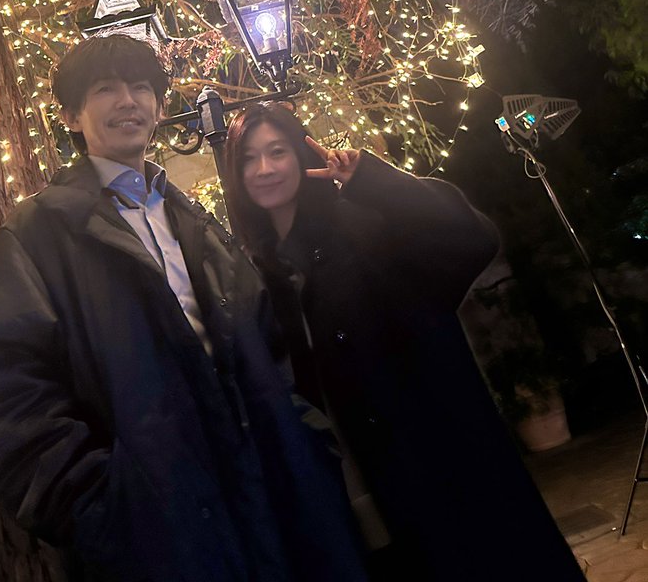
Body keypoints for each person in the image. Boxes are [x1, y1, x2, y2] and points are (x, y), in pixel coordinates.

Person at [0, 35, 371, 582]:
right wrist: (107, 508)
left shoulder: (195, 221)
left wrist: (307, 442)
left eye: (141, 87)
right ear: (71, 116)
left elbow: (268, 347)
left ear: (157, 107)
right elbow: (5, 400)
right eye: (106, 89)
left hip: (275, 505)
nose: (128, 100)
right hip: (164, 537)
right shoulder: (38, 235)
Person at [223, 101, 586, 582]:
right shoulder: (257, 274)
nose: (264, 169)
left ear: (301, 154)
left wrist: (374, 180)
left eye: (277, 151)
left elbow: (473, 238)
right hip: (360, 487)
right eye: (248, 158)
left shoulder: (361, 222)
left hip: (447, 459)